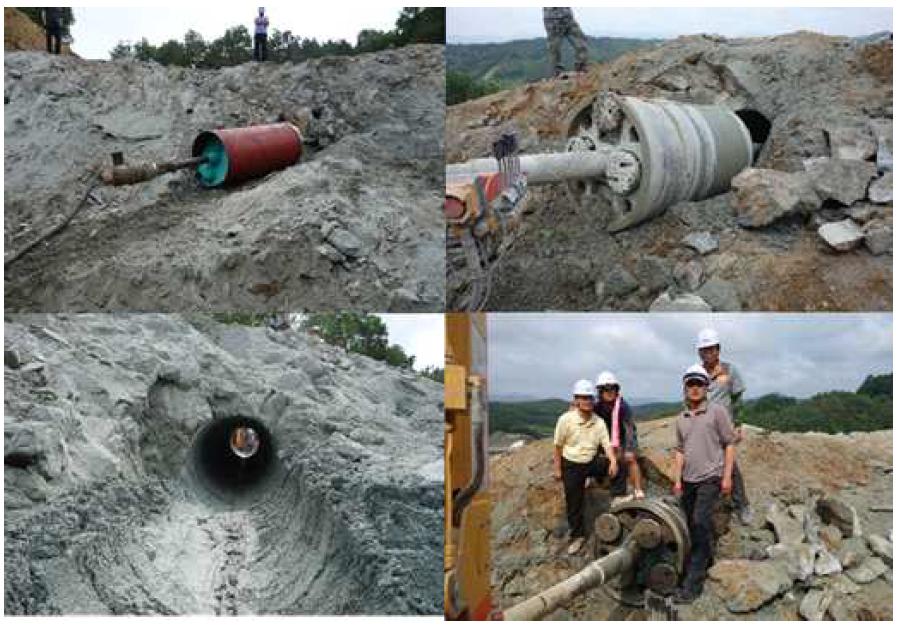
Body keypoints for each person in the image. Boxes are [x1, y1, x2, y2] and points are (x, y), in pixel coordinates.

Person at [672, 364, 735, 603]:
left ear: (706, 387)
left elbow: (729, 443)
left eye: (699, 383)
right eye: (691, 384)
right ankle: (704, 559)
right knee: (690, 526)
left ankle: (692, 586)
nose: (695, 388)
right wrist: (677, 480)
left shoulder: (717, 412)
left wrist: (727, 477)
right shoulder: (681, 418)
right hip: (688, 480)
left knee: (699, 523)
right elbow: (680, 450)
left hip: (711, 477)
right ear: (685, 388)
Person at [553, 379, 619, 555]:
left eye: (590, 398)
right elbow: (558, 446)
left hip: (590, 462)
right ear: (576, 400)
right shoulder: (565, 420)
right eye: (583, 398)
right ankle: (578, 536)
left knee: (619, 463)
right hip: (572, 465)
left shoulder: (598, 422)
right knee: (574, 503)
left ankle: (618, 496)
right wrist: (558, 469)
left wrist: (612, 461)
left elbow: (606, 444)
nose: (588, 401)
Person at [696, 327, 753, 525]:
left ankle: (742, 504)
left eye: (711, 349)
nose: (708, 353)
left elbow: (737, 399)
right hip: (702, 427)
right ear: (699, 352)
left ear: (718, 350)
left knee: (730, 465)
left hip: (723, 426)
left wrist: (738, 424)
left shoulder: (729, 370)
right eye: (704, 350)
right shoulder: (697, 373)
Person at [594, 371, 644, 502]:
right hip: (603, 439)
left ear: (617, 389)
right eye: (605, 389)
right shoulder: (597, 406)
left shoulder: (622, 407)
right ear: (600, 391)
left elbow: (629, 429)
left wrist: (629, 448)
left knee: (630, 459)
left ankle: (638, 489)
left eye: (613, 388)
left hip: (621, 439)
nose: (609, 391)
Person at [542, 8, 589, 77]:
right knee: (554, 47)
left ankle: (581, 67)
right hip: (552, 19)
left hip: (567, 17)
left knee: (580, 40)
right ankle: (557, 72)